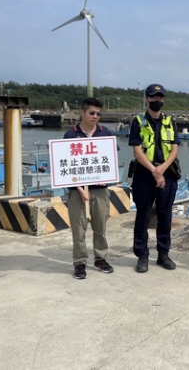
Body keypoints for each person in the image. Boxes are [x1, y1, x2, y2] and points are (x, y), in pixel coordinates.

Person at [129, 84, 180, 273]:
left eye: (159, 97)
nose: (156, 100)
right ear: (146, 99)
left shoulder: (170, 121)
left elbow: (175, 148)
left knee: (165, 215)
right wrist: (154, 171)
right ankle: (142, 255)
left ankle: (163, 254)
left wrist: (163, 169)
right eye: (153, 97)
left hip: (167, 172)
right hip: (144, 173)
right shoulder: (138, 121)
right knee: (143, 215)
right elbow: (136, 150)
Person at [63, 97, 116, 279]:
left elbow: (110, 159)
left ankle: (100, 258)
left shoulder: (105, 133)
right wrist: (80, 188)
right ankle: (79, 262)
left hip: (100, 190)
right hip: (77, 191)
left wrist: (106, 176)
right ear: (82, 113)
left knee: (100, 225)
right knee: (78, 228)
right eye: (92, 113)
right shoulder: (71, 135)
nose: (95, 117)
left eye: (98, 114)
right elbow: (68, 167)